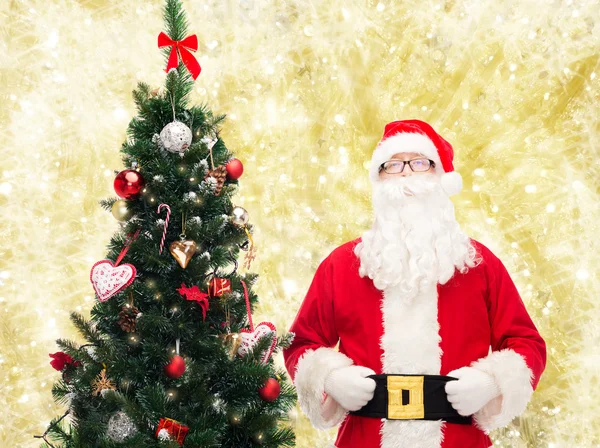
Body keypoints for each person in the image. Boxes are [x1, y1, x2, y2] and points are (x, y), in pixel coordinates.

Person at [283, 119, 546, 448]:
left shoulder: (480, 264)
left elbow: (527, 344)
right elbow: (300, 344)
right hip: (365, 439)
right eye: (392, 165)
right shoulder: (341, 265)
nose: (406, 173)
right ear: (378, 180)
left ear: (440, 179)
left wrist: (491, 381)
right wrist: (331, 378)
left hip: (458, 439)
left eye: (420, 163)